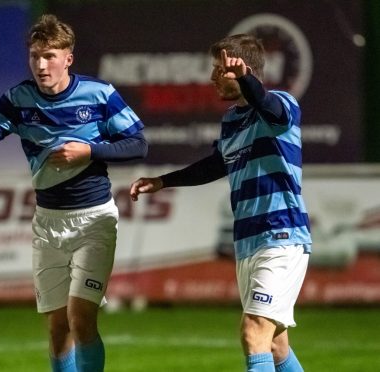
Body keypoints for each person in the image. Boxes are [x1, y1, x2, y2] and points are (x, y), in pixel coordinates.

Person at [0, 13, 147, 372]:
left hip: (93, 220)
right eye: (35, 55)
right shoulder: (18, 99)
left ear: (68, 58)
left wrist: (90, 150)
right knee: (56, 328)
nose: (41, 64)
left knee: (81, 318)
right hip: (47, 223)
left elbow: (139, 145)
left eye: (50, 55)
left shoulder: (100, 94)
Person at [129, 34, 311, 372]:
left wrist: (244, 78)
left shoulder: (282, 105)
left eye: (219, 69)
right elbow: (216, 164)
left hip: (281, 235)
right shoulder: (231, 120)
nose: (213, 76)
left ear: (242, 70)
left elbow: (266, 104)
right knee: (274, 344)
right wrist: (164, 181)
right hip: (248, 240)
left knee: (253, 333)